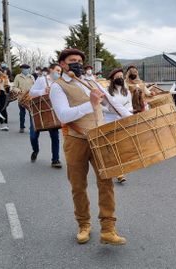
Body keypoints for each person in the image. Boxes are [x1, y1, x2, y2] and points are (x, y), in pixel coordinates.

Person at [50, 48, 131, 245]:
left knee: (107, 182)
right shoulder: (58, 87)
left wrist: (134, 119)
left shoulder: (91, 82)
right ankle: (84, 224)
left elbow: (112, 104)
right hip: (76, 140)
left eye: (79, 60)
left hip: (100, 138)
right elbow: (63, 116)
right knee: (78, 186)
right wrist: (91, 104)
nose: (76, 63)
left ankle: (108, 228)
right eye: (72, 60)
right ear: (62, 64)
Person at [28, 64, 62, 168]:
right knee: (33, 136)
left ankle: (55, 160)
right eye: (57, 70)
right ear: (51, 70)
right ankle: (35, 150)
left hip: (52, 113)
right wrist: (43, 91)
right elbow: (31, 93)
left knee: (55, 137)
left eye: (60, 71)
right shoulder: (42, 80)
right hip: (39, 112)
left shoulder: (60, 82)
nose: (59, 73)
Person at [105, 68, 134, 183]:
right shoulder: (107, 91)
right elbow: (102, 106)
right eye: (117, 77)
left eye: (121, 76)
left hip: (123, 121)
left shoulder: (127, 92)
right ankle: (119, 172)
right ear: (112, 79)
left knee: (121, 146)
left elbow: (130, 106)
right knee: (113, 147)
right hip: (110, 121)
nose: (120, 78)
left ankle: (118, 169)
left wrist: (127, 111)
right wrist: (112, 110)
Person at [13, 64, 35, 133]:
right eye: (24, 69)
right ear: (21, 69)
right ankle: (22, 126)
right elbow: (14, 87)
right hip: (21, 98)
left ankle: (32, 127)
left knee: (32, 113)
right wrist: (18, 90)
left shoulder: (31, 77)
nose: (26, 70)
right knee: (22, 113)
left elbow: (35, 86)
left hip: (30, 98)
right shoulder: (18, 77)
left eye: (27, 69)